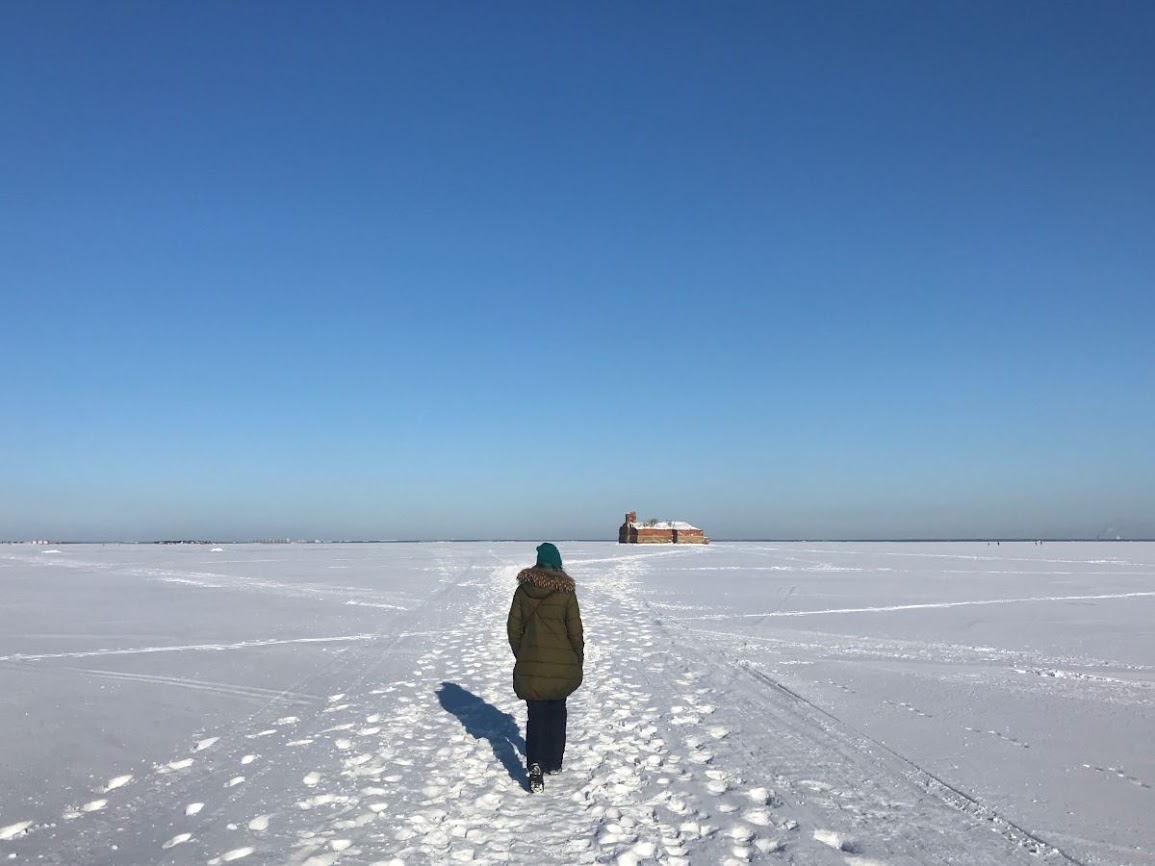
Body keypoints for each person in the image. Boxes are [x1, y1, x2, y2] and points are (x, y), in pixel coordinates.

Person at [506, 542, 584, 793]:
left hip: (531, 664)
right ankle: (554, 762)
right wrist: (576, 659)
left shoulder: (523, 591)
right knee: (557, 712)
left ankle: (535, 764)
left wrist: (524, 654)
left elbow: (513, 629)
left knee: (536, 716)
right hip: (562, 665)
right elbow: (575, 631)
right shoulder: (566, 592)